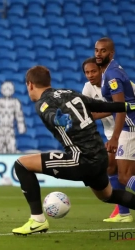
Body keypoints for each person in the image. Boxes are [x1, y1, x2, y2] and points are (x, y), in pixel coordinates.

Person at [12, 65, 135, 236]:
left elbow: (49, 113)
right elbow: (102, 105)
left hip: (81, 159)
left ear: (30, 84)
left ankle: (37, 220)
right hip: (100, 156)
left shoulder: (43, 103)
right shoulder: (70, 92)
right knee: (108, 195)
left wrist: (57, 119)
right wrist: (130, 107)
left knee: (21, 165)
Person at [95, 37, 135, 222]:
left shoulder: (112, 75)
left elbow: (120, 107)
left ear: (111, 53)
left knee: (125, 176)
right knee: (122, 173)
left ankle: (124, 213)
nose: (98, 54)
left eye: (103, 51)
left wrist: (115, 137)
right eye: (96, 50)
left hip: (130, 127)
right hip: (129, 126)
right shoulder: (110, 71)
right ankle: (124, 213)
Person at [82, 57, 122, 220]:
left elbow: (122, 107)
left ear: (101, 71)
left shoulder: (113, 82)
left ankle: (122, 210)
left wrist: (96, 115)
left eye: (93, 71)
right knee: (112, 168)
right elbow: (85, 112)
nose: (90, 75)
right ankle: (121, 210)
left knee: (122, 171)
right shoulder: (87, 88)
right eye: (87, 72)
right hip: (111, 131)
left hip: (127, 127)